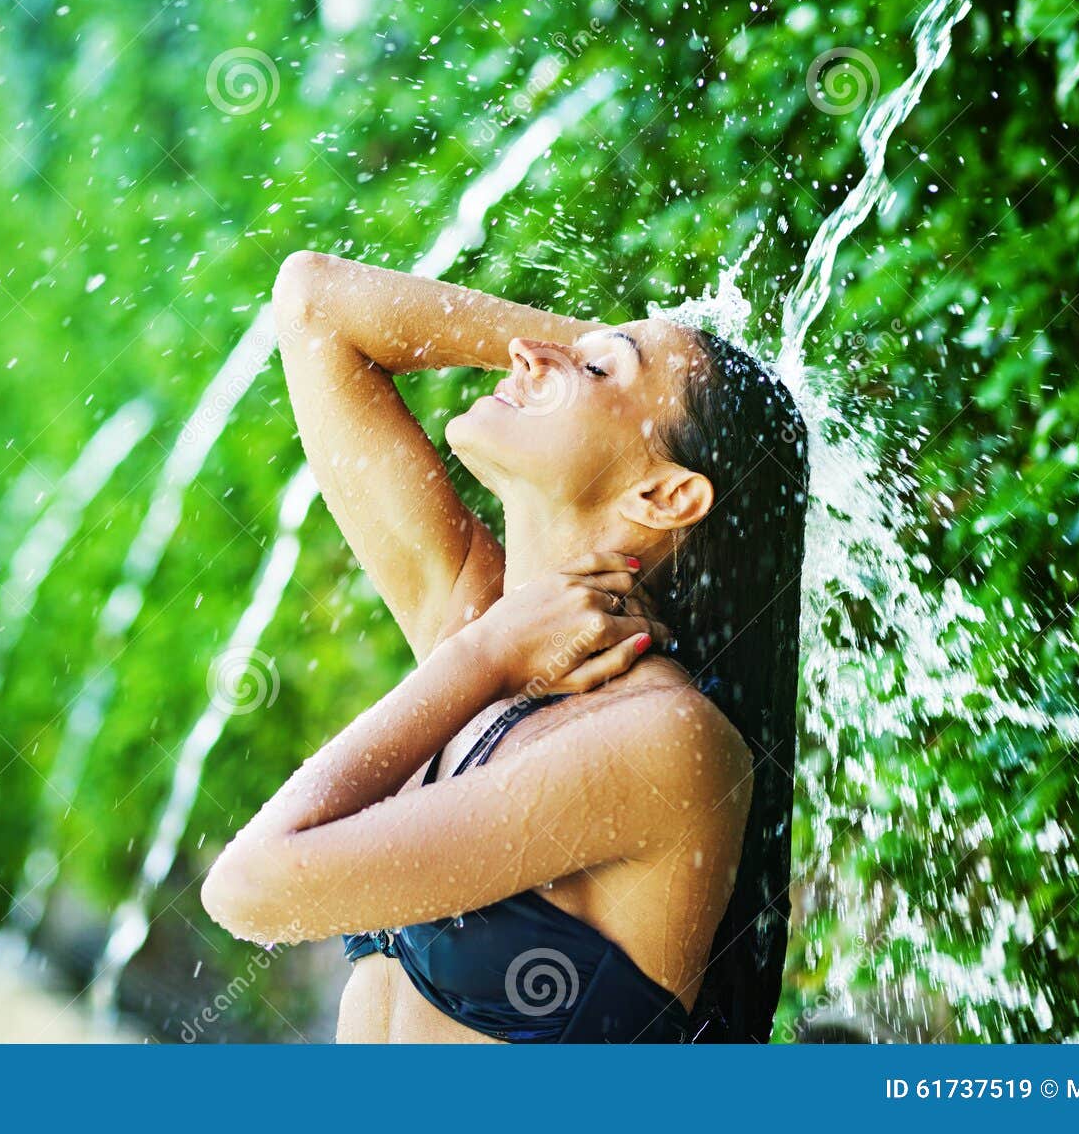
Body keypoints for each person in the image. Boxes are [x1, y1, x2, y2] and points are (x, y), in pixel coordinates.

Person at [202, 252, 808, 1043]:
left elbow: (250, 890)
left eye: (595, 366)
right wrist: (586, 356)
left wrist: (484, 656)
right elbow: (315, 303)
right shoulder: (476, 617)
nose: (528, 353)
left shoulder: (665, 738)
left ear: (663, 495)